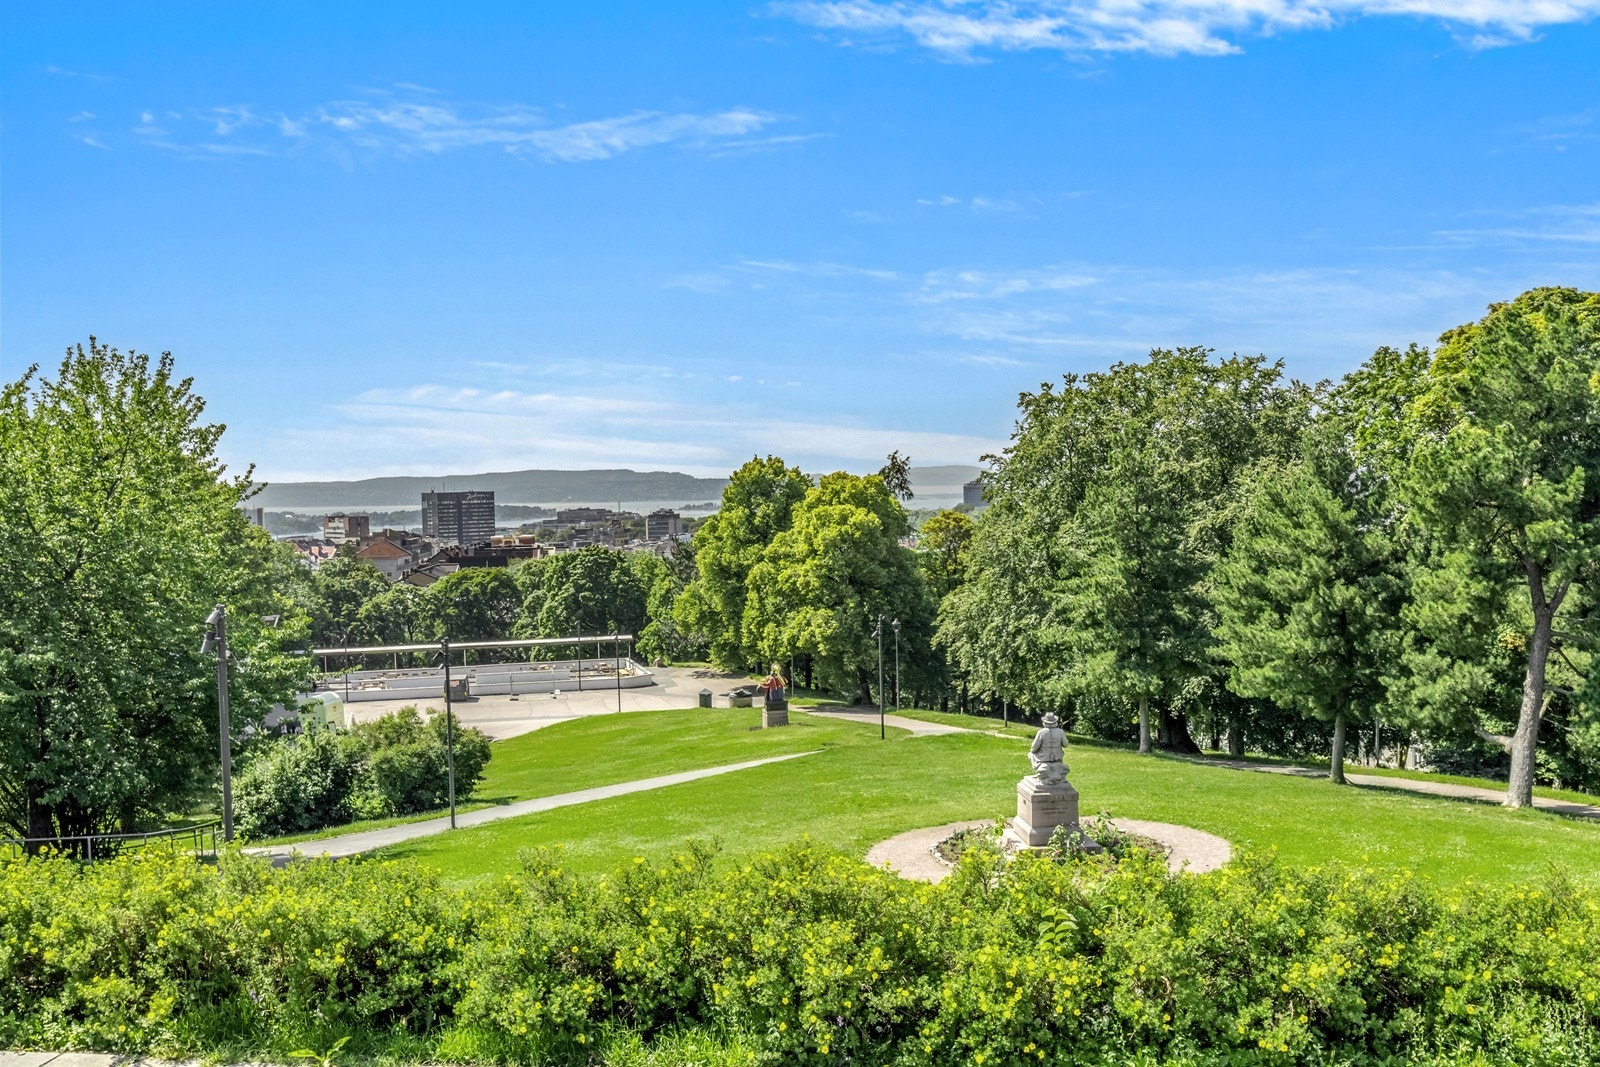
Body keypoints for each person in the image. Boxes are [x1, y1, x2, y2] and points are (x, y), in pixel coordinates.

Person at [1029, 712, 1069, 785]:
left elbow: (1033, 748)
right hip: (1057, 757)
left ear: (1044, 722)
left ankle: (1040, 770)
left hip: (1043, 758)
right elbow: (1065, 744)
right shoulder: (1060, 732)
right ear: (1055, 722)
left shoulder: (1041, 732)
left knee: (1031, 754)